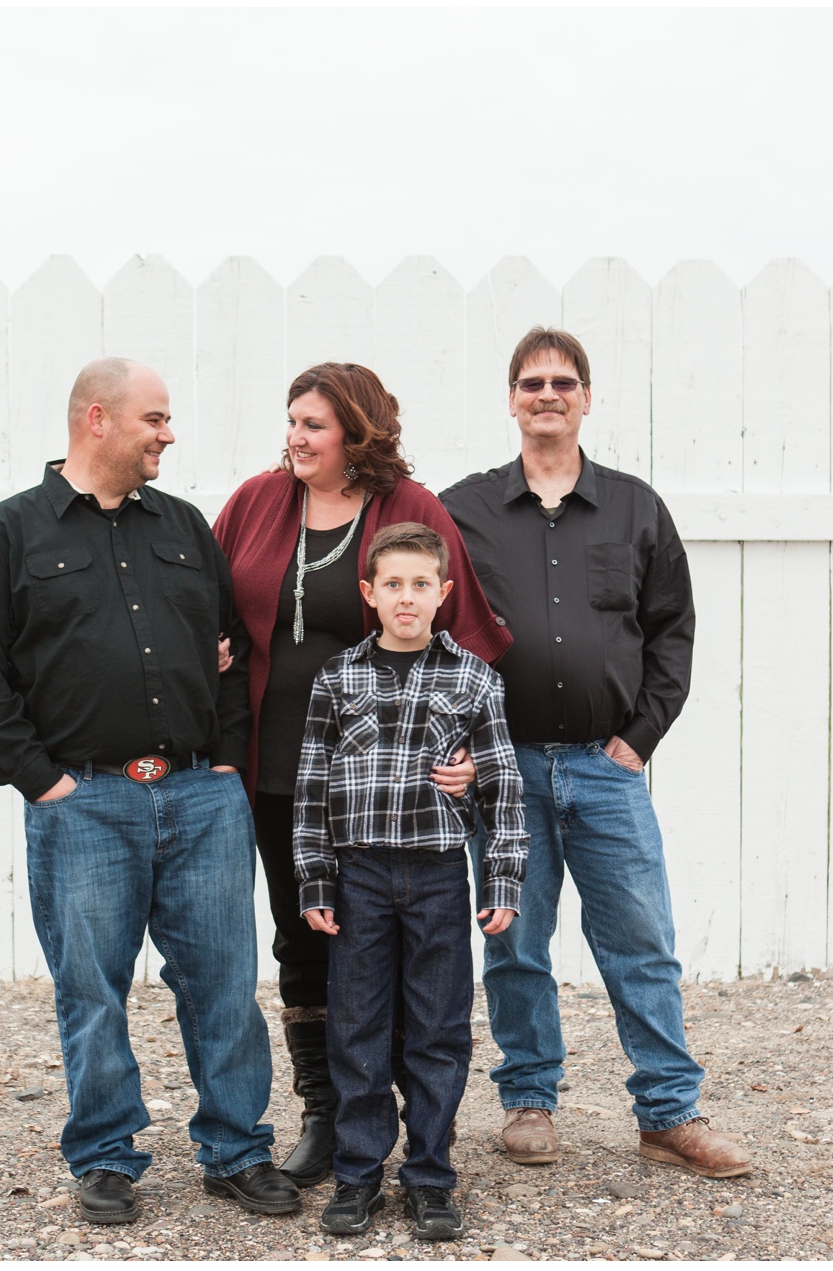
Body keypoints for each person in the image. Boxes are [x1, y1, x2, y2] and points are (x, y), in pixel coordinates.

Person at [0, 357, 300, 1225]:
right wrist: (42, 780)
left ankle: (237, 1149)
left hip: (199, 797)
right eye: (156, 419)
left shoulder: (182, 527)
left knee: (223, 982)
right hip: (86, 804)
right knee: (92, 988)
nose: (168, 435)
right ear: (96, 419)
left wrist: (222, 758)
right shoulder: (10, 535)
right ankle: (105, 1155)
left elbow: (226, 649)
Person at [439, 328, 753, 1179]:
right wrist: (458, 741)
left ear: (585, 399)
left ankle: (668, 1112)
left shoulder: (635, 508)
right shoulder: (460, 510)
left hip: (605, 770)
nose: (548, 394)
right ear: (510, 399)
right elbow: (421, 630)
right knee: (515, 942)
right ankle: (529, 1100)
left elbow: (671, 634)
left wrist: (636, 741)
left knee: (641, 941)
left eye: (563, 382)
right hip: (503, 774)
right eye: (531, 382)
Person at [211, 363, 510, 1187]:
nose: (294, 437)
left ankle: (421, 1130)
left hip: (392, 784)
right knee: (307, 937)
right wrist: (210, 645)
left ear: (357, 433)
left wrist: (470, 754)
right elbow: (208, 598)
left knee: (404, 957)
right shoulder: (255, 502)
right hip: (282, 770)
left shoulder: (409, 509)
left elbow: (469, 633)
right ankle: (329, 1113)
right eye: (291, 421)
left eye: (313, 425)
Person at [291, 522, 527, 1240]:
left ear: (443, 594)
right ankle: (359, 1176)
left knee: (438, 1030)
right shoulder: (338, 678)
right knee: (357, 1028)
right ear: (369, 592)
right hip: (359, 875)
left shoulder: (475, 680)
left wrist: (503, 881)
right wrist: (315, 880)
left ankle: (429, 1177)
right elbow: (310, 786)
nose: (406, 597)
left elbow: (504, 790)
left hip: (434, 876)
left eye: (421, 584)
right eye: (392, 584)